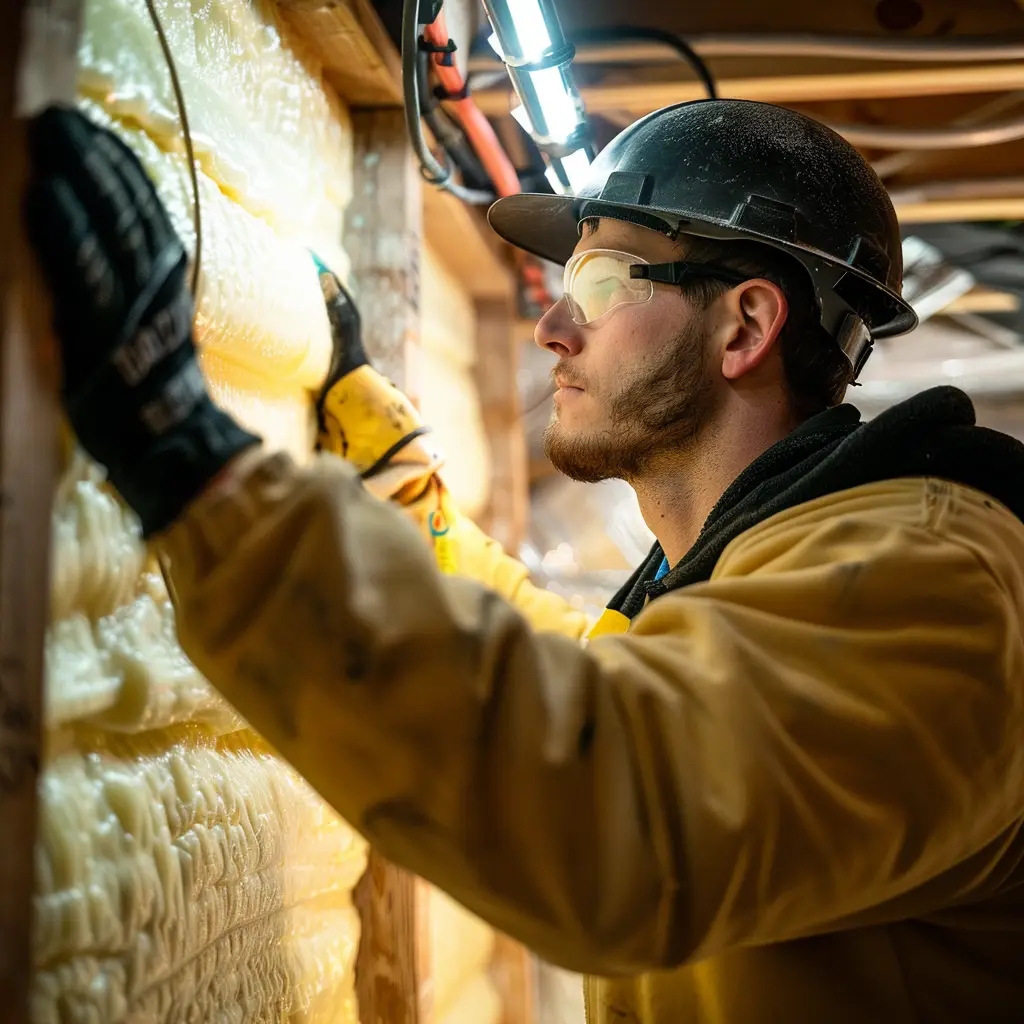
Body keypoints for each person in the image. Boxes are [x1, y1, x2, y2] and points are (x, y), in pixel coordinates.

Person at [24, 99, 1024, 1024]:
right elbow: (574, 673)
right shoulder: (745, 576)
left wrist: (191, 464)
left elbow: (615, 803)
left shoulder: (935, 587)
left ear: (746, 327)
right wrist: (382, 454)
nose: (551, 327)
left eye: (599, 281)